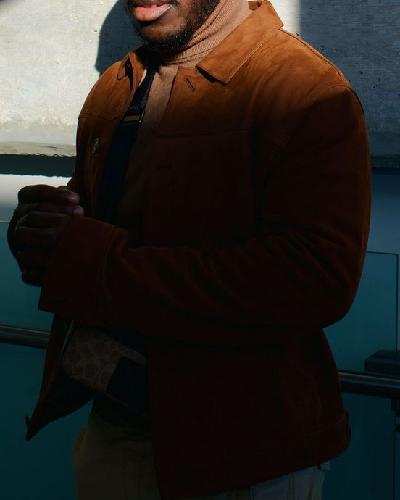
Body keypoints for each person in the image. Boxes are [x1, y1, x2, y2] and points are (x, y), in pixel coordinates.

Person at [7, 0, 371, 499]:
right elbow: (98, 226)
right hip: (116, 431)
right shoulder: (118, 82)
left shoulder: (305, 88)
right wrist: (43, 232)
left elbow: (316, 281)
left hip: (246, 460)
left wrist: (94, 260)